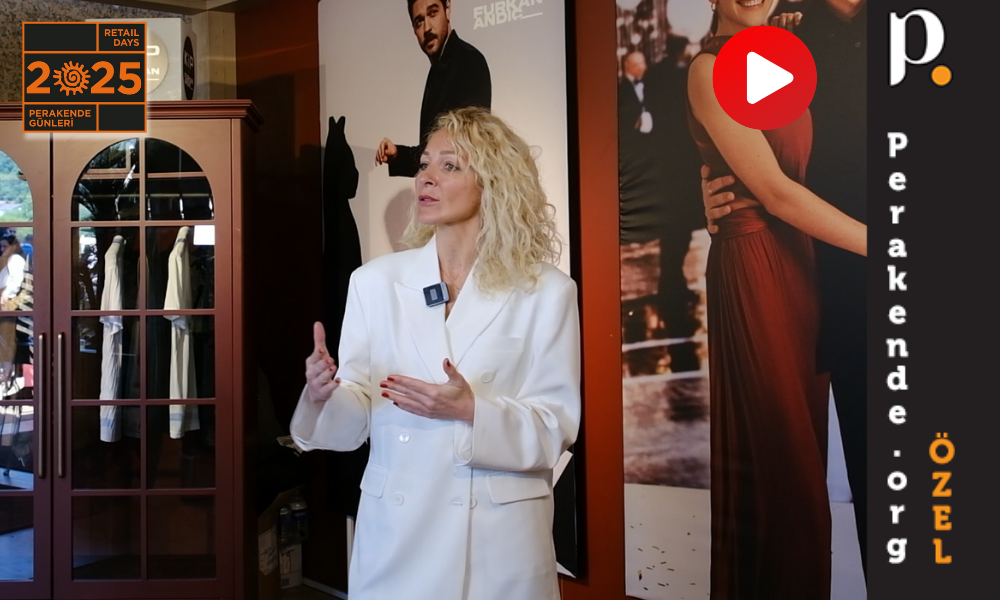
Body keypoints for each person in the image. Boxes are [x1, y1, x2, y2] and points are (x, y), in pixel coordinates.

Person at [293, 107, 580, 599]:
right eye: (425, 163)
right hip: (397, 537)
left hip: (497, 545)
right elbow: (357, 415)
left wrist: (471, 410)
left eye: (449, 165)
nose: (425, 176)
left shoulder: (546, 291)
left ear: (493, 181)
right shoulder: (374, 283)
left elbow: (555, 425)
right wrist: (322, 395)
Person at [687, 1, 867, 598]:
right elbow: (775, 191)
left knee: (802, 472)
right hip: (760, 267)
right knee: (787, 478)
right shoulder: (709, 68)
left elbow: (796, 156)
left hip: (807, 269)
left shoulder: (784, 45)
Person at [375, 0, 492, 178]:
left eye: (433, 13)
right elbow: (432, 152)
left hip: (459, 189)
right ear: (414, 30)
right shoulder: (436, 71)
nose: (427, 28)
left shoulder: (469, 62)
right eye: (419, 21)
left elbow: (466, 150)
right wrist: (397, 154)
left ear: (447, 9)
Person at [0, 235, 27, 390]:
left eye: (5, 246)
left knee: (6, 337)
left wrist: (6, 295)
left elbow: (16, 281)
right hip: (5, 299)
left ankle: (6, 375)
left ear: (13, 245)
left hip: (6, 301)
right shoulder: (7, 259)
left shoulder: (16, 259)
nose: (2, 249)